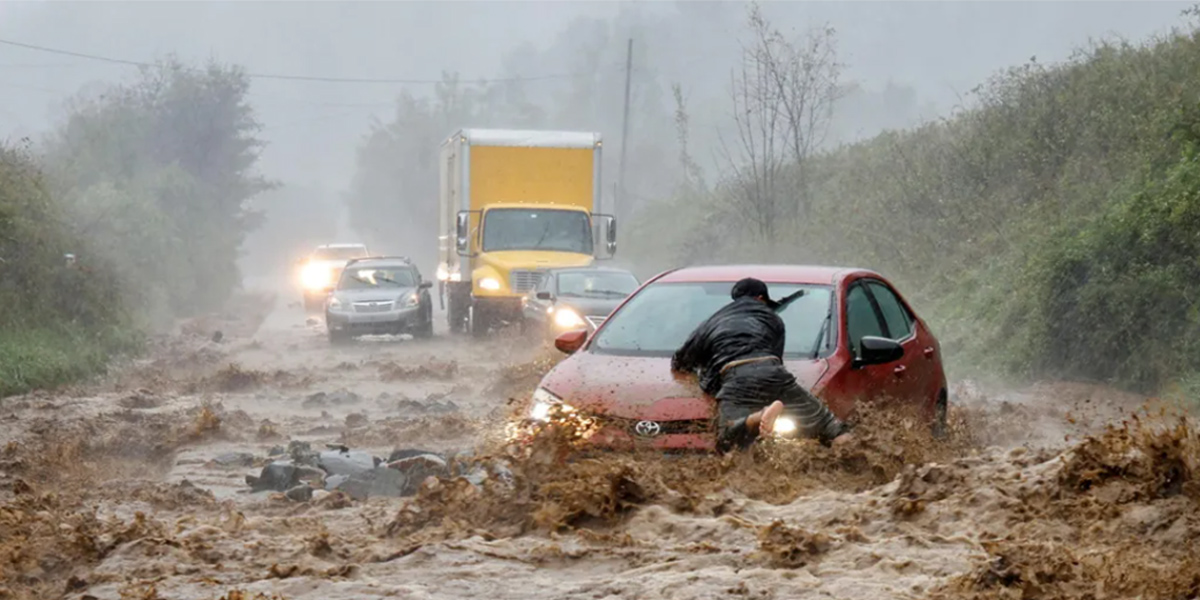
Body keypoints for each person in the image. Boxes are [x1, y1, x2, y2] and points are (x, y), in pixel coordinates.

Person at [671, 277, 853, 452]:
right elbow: (776, 358)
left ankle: (759, 417)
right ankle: (855, 465)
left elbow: (681, 360)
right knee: (831, 426)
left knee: (726, 438)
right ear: (760, 298)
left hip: (737, 376)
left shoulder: (712, 322)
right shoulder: (774, 319)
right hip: (774, 372)